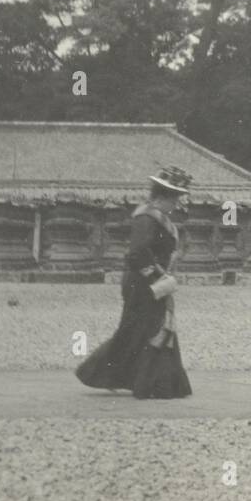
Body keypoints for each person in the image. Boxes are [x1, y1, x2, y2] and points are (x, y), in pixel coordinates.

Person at [76, 166, 193, 400]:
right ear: (163, 197)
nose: (177, 204)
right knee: (147, 328)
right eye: (175, 198)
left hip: (151, 281)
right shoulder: (146, 219)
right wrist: (159, 279)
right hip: (142, 283)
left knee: (147, 328)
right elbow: (137, 253)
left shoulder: (159, 219)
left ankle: (146, 381)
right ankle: (145, 381)